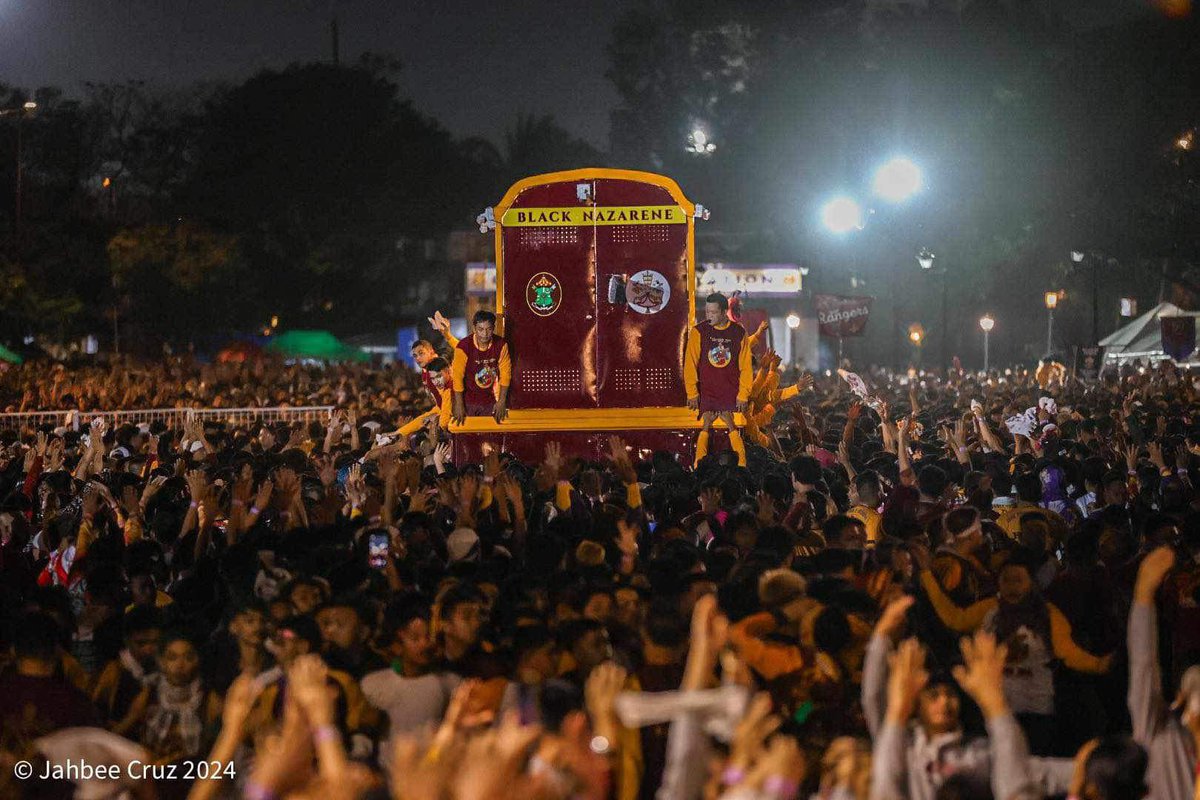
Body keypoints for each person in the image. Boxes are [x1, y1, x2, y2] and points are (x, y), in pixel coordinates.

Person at [684, 292, 752, 467]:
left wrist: (743, 395)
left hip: (732, 400)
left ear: (724, 312)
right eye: (707, 312)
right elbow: (690, 364)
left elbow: (746, 368)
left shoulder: (739, 333)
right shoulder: (699, 331)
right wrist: (692, 393)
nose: (709, 316)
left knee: (731, 456)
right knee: (708, 457)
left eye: (713, 312)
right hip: (706, 399)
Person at [450, 309, 511, 424]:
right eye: (480, 329)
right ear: (474, 329)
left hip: (489, 400)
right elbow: (457, 378)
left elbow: (506, 374)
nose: (485, 334)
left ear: (493, 328)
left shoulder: (501, 345)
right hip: (467, 400)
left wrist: (502, 401)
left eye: (488, 329)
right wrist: (459, 405)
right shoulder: (463, 347)